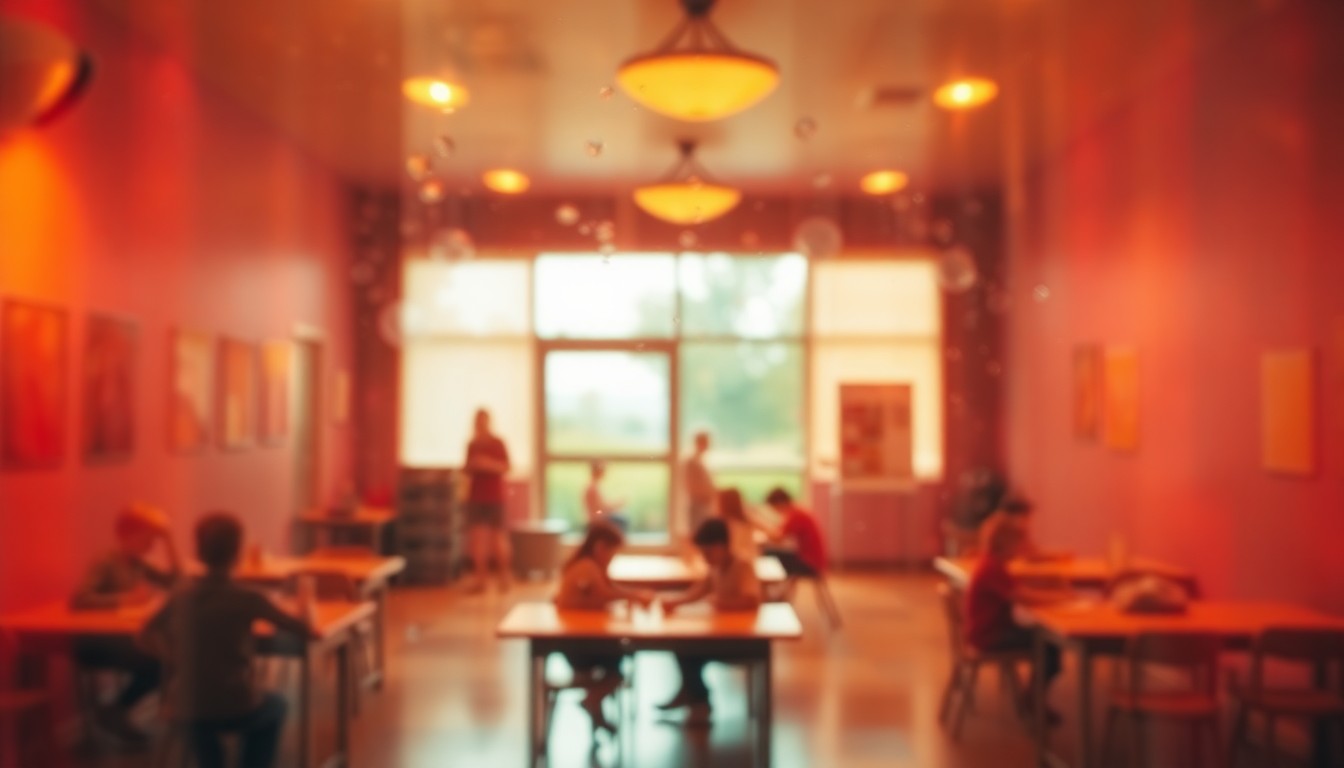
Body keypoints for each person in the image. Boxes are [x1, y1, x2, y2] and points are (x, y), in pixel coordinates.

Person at [142, 513, 317, 768]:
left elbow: (145, 633)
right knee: (277, 706)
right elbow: (303, 630)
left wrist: (172, 656)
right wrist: (305, 606)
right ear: (237, 552)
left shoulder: (180, 597)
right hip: (234, 702)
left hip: (183, 703)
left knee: (197, 721)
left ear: (198, 551)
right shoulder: (249, 598)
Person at [69, 503, 182, 744]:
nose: (152, 546)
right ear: (128, 536)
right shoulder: (107, 561)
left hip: (126, 639)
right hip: (99, 643)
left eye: (155, 541)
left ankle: (116, 712)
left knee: (171, 657)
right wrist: (125, 600)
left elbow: (176, 582)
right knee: (161, 662)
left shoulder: (139, 563)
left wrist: (169, 541)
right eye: (148, 540)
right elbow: (80, 599)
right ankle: (115, 711)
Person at [658, 518, 763, 725]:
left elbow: (752, 600)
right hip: (721, 635)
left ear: (721, 546)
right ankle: (692, 695)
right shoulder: (716, 567)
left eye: (707, 552)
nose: (705, 558)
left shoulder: (742, 566)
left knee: (687, 649)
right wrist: (675, 603)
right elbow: (700, 590)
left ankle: (699, 700)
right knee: (681, 643)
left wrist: (723, 603)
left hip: (741, 641)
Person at [553, 521, 654, 733]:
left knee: (617, 658)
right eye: (612, 553)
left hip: (578, 640)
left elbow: (607, 590)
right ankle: (593, 699)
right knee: (619, 660)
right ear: (600, 547)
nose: (612, 558)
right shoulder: (586, 568)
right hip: (578, 645)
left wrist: (631, 595)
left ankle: (595, 704)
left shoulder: (587, 565)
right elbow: (603, 594)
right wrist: (633, 596)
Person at [964, 514, 1066, 720]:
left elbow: (1018, 590)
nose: (1021, 547)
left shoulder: (991, 563)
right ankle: (1033, 700)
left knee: (1044, 637)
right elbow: (1021, 597)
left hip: (988, 631)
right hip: (989, 636)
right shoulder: (992, 568)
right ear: (1007, 543)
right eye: (1019, 543)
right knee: (1049, 643)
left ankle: (1033, 697)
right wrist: (1060, 598)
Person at [463, 408, 512, 592]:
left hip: (495, 497)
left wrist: (487, 464)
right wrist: (472, 466)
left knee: (499, 538)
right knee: (477, 540)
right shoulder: (472, 444)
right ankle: (480, 579)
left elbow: (507, 467)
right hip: (476, 497)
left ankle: (504, 577)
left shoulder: (498, 443)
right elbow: (466, 469)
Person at [761, 487, 828, 581]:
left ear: (780, 503)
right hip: (811, 560)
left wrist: (759, 526)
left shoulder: (795, 515)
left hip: (810, 563)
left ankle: (770, 588)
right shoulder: (796, 512)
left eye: (774, 508)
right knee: (773, 554)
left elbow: (778, 538)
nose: (775, 511)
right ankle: (777, 591)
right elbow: (779, 532)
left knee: (768, 554)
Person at [682, 431, 716, 536]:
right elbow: (691, 485)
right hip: (698, 504)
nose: (708, 445)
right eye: (706, 442)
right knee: (697, 534)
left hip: (705, 504)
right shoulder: (692, 462)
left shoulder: (701, 461)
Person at [582, 461, 630, 534]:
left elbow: (601, 508)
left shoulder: (593, 486)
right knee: (622, 520)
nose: (604, 472)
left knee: (621, 519)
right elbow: (601, 509)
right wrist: (618, 504)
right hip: (596, 520)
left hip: (596, 519)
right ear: (597, 471)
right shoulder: (592, 488)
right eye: (602, 470)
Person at [715, 488, 760, 564]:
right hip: (751, 560)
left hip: (735, 563)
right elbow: (774, 535)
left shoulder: (722, 524)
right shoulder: (747, 520)